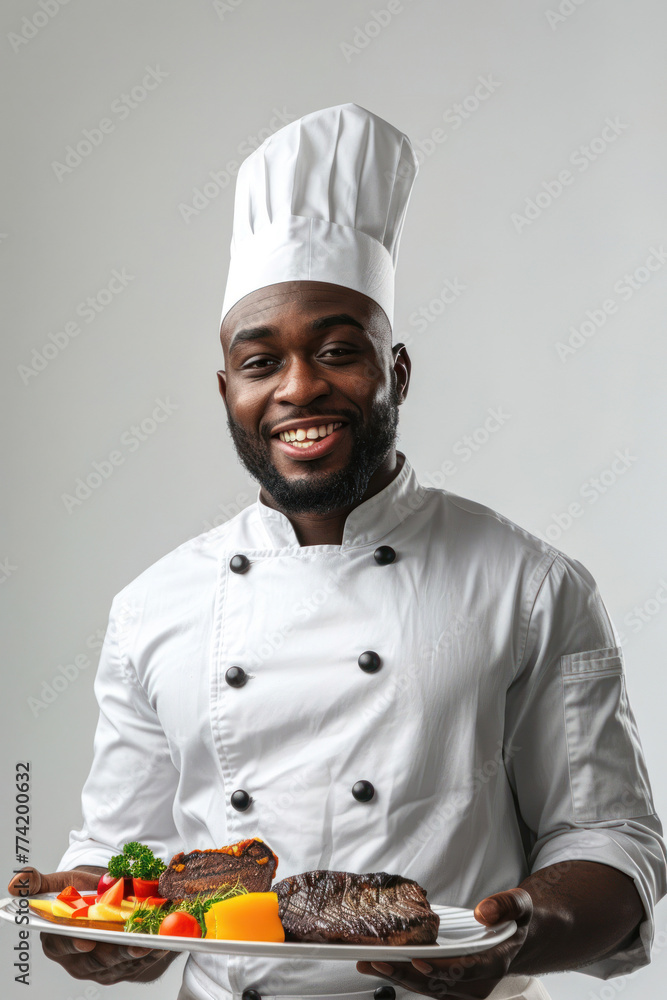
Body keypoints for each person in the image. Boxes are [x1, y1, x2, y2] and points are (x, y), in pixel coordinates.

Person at [9, 103, 665, 1000]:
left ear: (396, 371)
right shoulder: (152, 606)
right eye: (260, 363)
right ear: (227, 392)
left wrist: (518, 933)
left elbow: (611, 839)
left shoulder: (529, 584)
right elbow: (128, 860)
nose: (299, 387)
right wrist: (95, 921)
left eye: (336, 351)